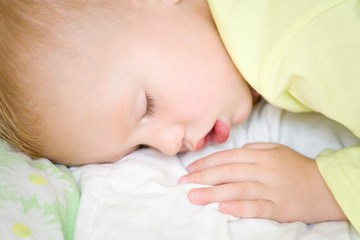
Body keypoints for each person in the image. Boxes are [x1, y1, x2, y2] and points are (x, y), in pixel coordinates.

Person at [0, 0, 359, 232]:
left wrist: (323, 186)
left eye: (147, 105)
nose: (170, 145)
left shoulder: (295, 41)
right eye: (140, 146)